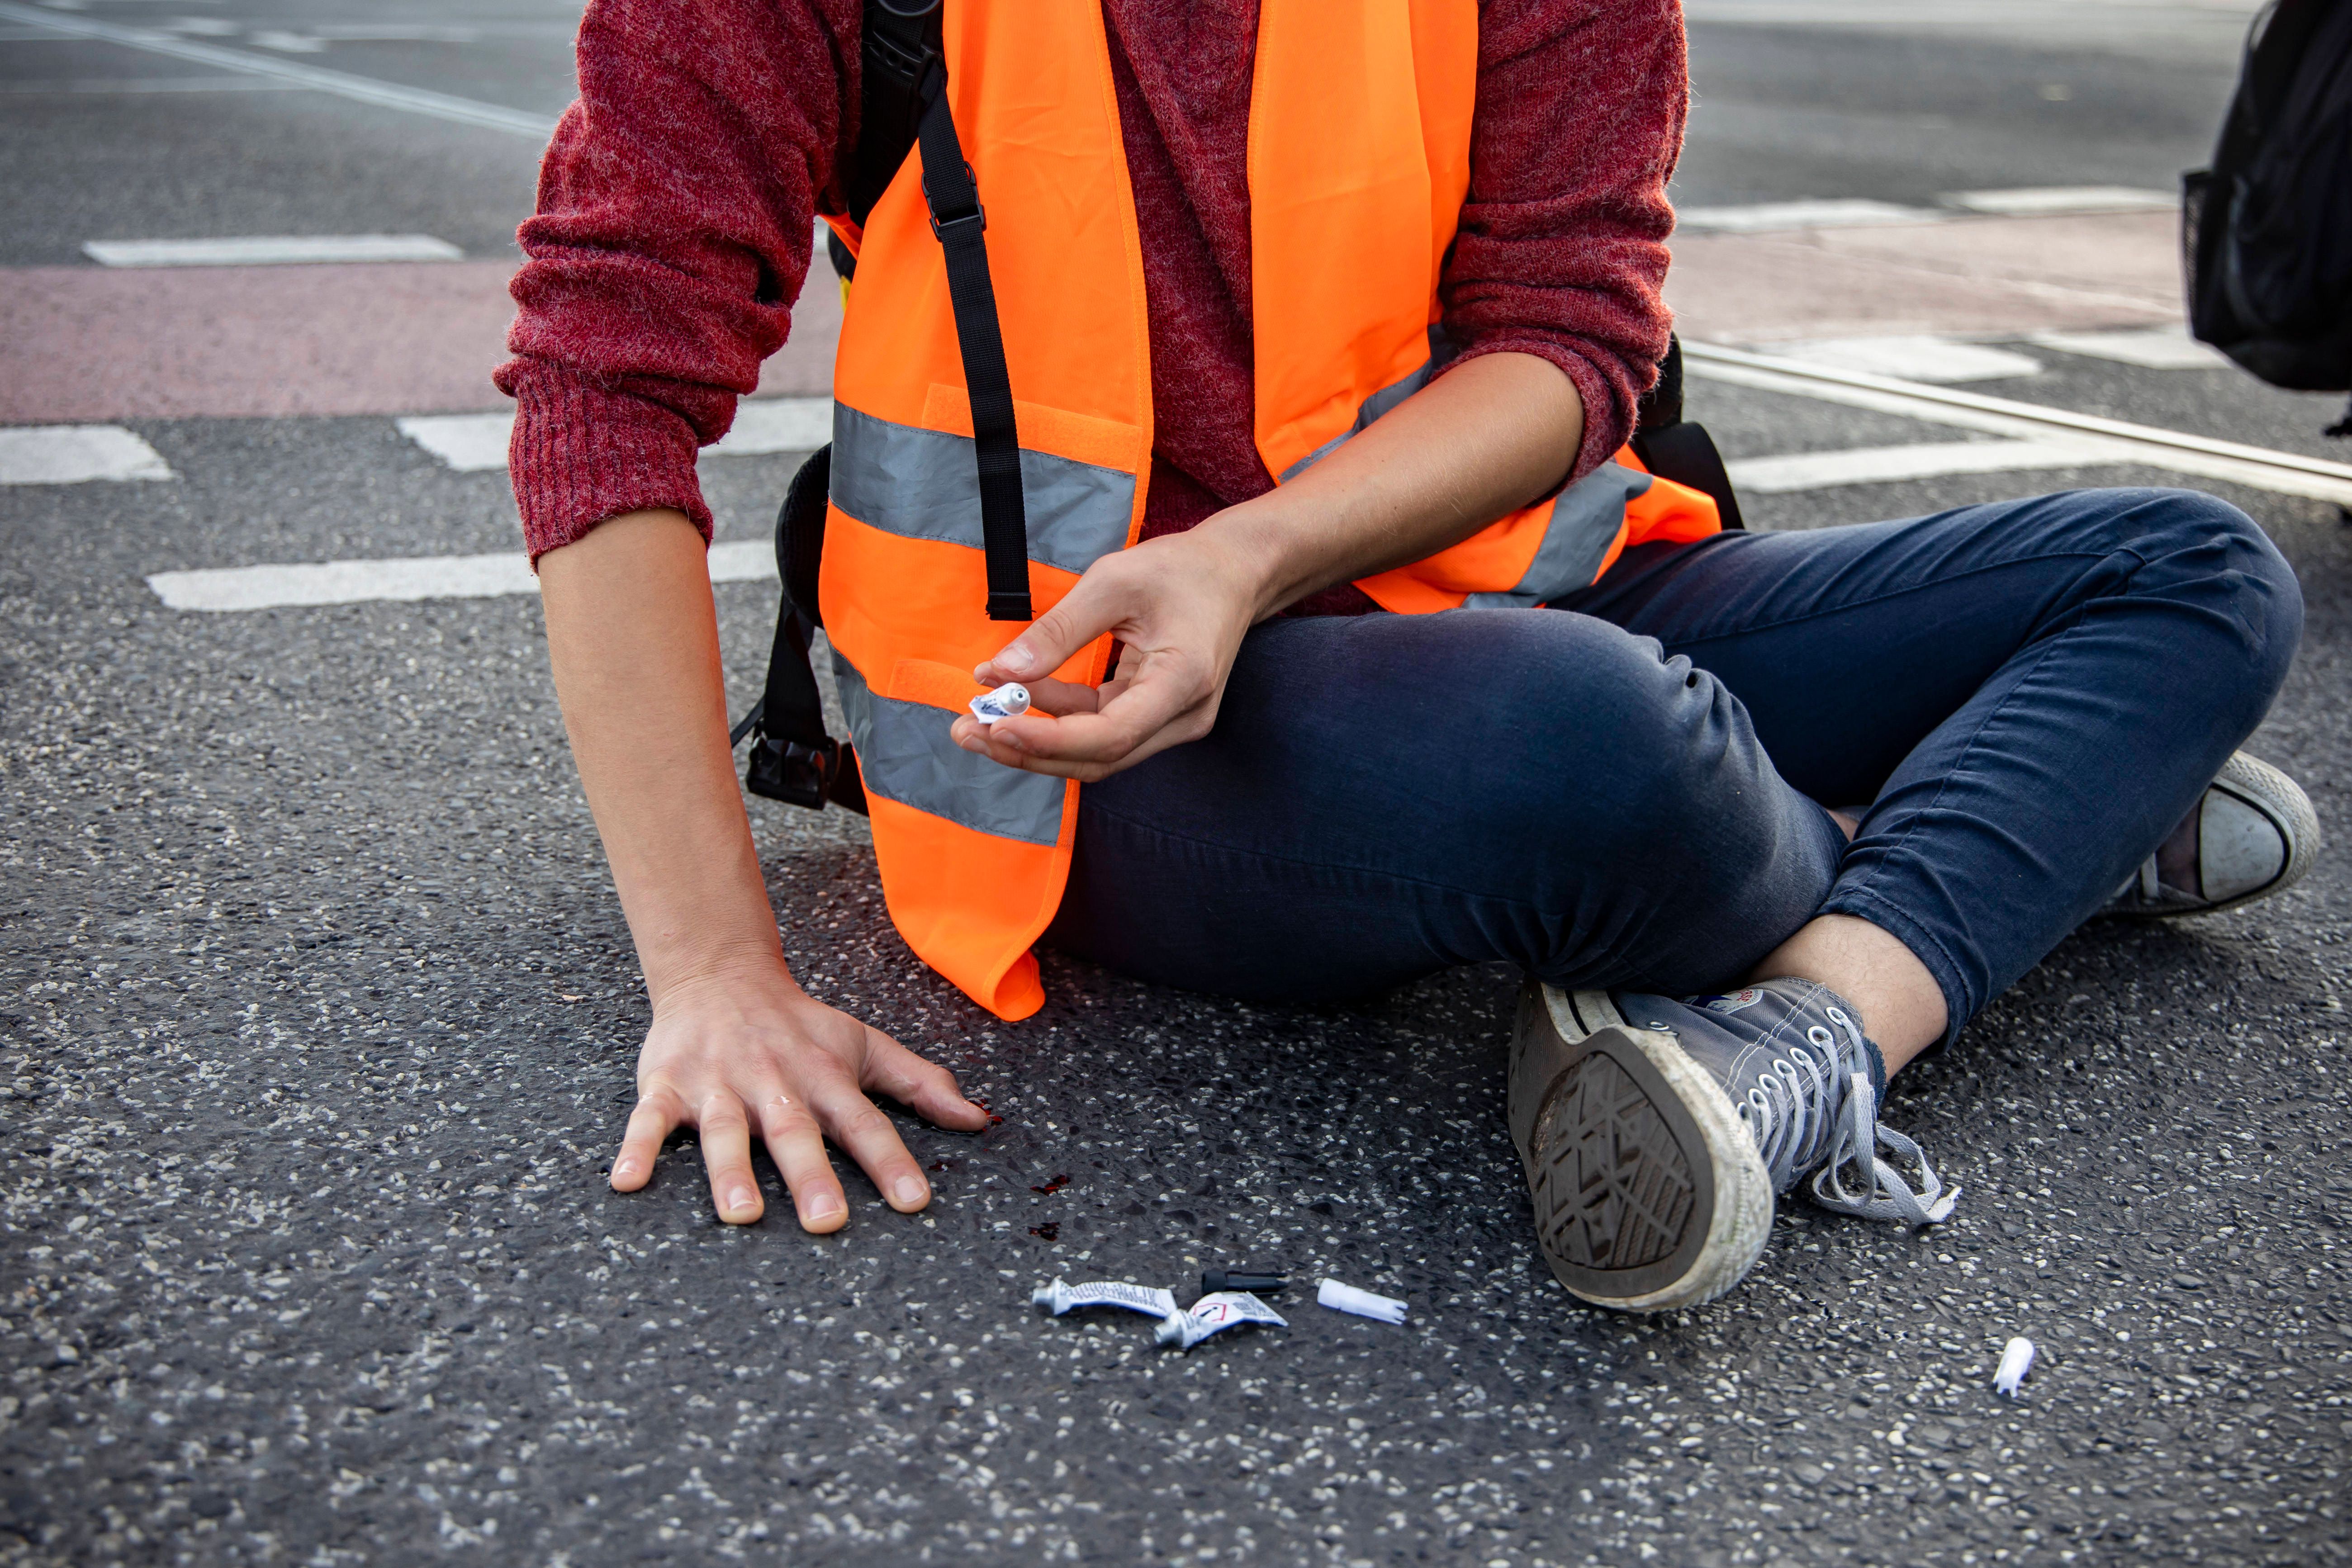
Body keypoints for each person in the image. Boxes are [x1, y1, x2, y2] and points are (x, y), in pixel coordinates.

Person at [498, 0, 2314, 1311]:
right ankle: (2023, 821)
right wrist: (714, 974)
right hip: (1074, 723)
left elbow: (1568, 336)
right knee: (1594, 758)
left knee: (2191, 571)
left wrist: (1251, 553)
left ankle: (1813, 1040)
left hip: (1478, 596)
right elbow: (605, 382)